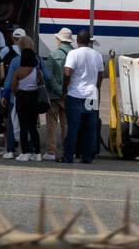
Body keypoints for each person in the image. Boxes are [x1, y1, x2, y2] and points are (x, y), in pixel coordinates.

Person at [61, 30, 105, 164]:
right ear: (89, 41)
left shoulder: (73, 54)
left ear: (77, 41)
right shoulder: (97, 55)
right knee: (90, 128)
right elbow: (100, 75)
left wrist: (64, 89)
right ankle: (87, 157)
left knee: (73, 128)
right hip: (91, 96)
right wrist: (96, 89)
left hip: (75, 95)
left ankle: (68, 157)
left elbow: (67, 73)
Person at [42, 28, 74, 161]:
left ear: (59, 40)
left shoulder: (53, 55)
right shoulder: (75, 54)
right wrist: (65, 91)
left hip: (54, 96)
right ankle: (66, 151)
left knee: (52, 124)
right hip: (69, 95)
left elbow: (48, 76)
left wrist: (58, 89)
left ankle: (51, 151)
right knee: (66, 124)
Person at [11, 34, 44, 161]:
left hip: (22, 98)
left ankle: (25, 152)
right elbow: (41, 84)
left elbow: (14, 87)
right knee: (33, 127)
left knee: (23, 127)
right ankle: (37, 153)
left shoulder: (18, 71)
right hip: (34, 98)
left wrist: (17, 93)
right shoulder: (37, 71)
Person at [0, 27, 26, 158]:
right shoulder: (31, 55)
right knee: (25, 121)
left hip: (10, 92)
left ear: (12, 38)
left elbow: (0, 68)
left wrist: (4, 93)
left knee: (9, 120)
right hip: (27, 92)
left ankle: (9, 149)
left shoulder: (5, 50)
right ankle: (24, 149)